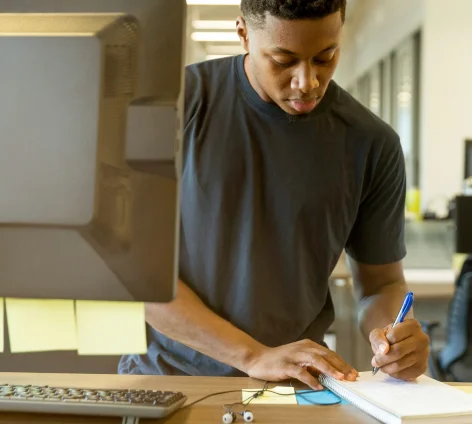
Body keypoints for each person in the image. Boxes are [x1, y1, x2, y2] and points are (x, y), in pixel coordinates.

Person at [119, 0, 430, 389]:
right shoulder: (174, 106)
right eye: (284, 61)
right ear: (244, 33)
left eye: (325, 57)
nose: (307, 82)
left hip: (293, 387)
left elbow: (382, 285)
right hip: (167, 380)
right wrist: (252, 356)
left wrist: (394, 337)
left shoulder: (371, 143)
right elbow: (136, 276)